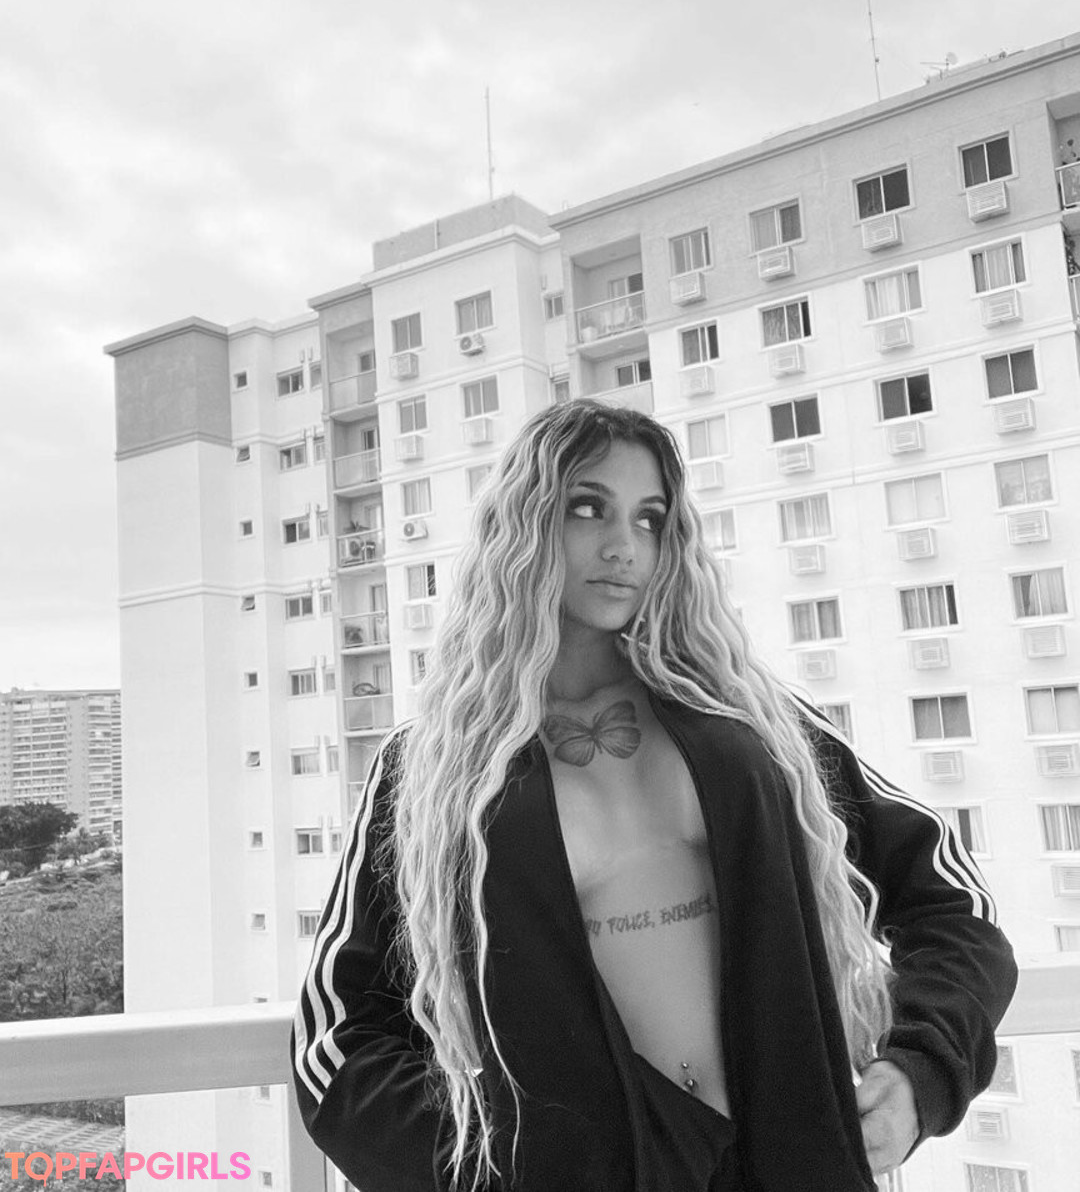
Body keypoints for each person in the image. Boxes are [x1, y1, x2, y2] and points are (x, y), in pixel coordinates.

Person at [292, 399, 1016, 1192]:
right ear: (522, 524)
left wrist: (921, 1072)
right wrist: (490, 1169)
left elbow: (951, 902)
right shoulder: (433, 769)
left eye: (650, 518)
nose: (623, 547)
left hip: (792, 1162)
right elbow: (338, 1039)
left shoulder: (753, 727)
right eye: (587, 508)